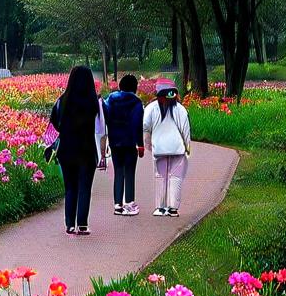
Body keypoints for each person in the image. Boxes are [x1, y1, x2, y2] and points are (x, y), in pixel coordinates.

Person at [50, 66, 108, 235]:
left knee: (70, 188)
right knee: (84, 187)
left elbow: (53, 125)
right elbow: (101, 130)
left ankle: (69, 224)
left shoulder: (63, 100)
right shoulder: (95, 103)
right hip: (87, 150)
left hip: (66, 151)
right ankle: (82, 224)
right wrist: (103, 152)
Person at [143, 79, 192, 217]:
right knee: (176, 177)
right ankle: (173, 208)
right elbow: (186, 131)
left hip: (158, 149)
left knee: (160, 177)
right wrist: (188, 147)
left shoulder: (151, 108)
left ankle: (160, 207)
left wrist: (148, 145)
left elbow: (145, 127)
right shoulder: (180, 109)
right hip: (177, 149)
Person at [104, 75, 145, 215]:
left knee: (118, 172)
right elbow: (137, 124)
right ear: (135, 87)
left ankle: (117, 204)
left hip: (115, 141)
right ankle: (129, 203)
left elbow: (106, 118)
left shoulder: (110, 100)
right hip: (130, 142)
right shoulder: (137, 103)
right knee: (129, 172)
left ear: (120, 86)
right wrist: (140, 144)